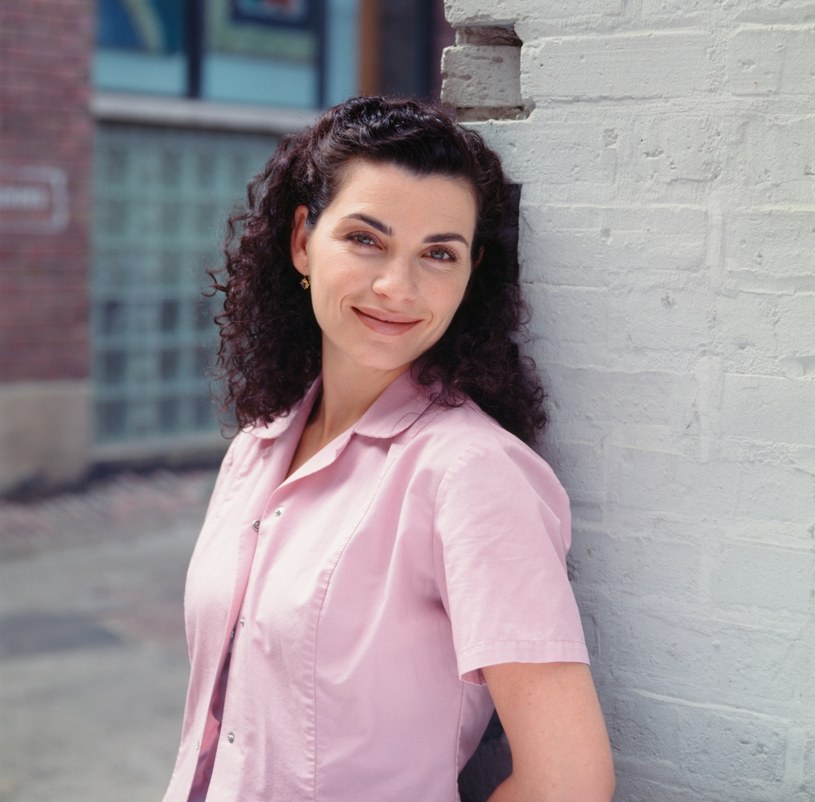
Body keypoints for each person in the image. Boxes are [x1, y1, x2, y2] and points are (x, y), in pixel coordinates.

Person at [163, 96, 615, 802]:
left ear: (471, 274)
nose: (396, 288)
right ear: (301, 241)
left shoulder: (471, 475)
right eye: (365, 239)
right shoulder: (258, 446)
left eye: (438, 253)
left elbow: (568, 781)